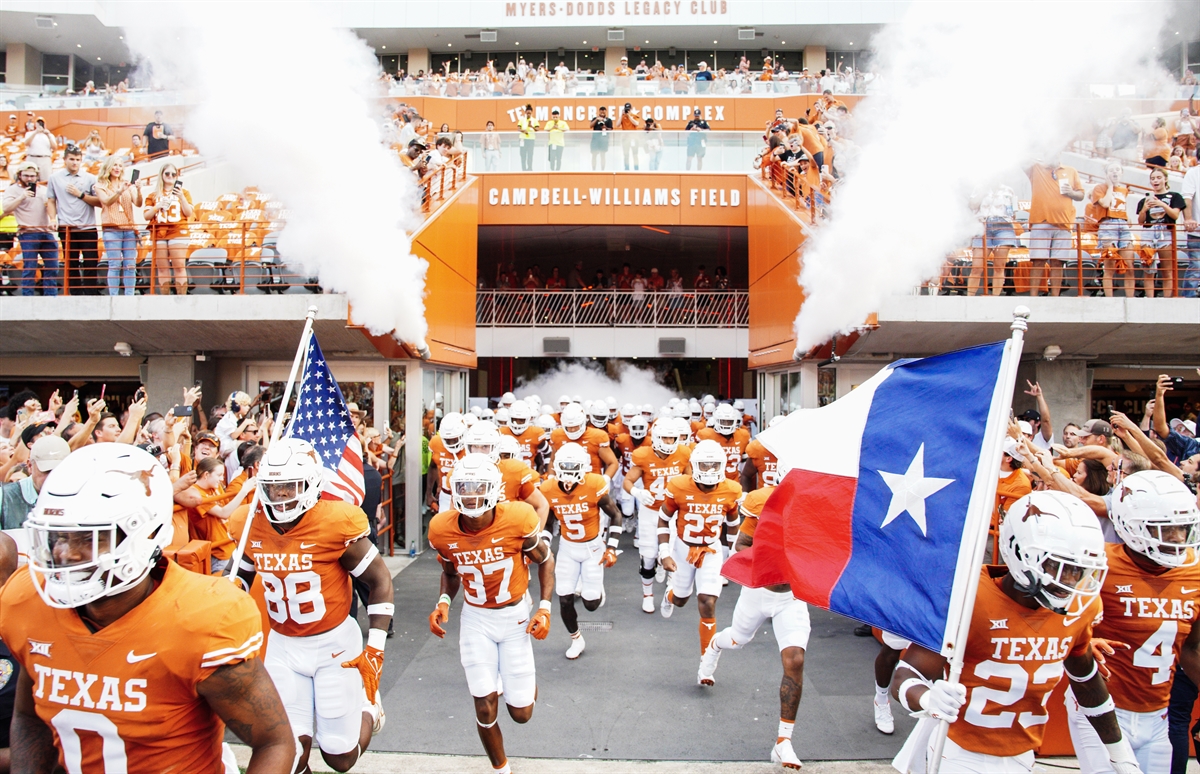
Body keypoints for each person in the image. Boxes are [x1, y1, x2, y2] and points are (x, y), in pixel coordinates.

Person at [1, 445, 297, 773]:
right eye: (58, 537)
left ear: (147, 534)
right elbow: (30, 718)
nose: (67, 553)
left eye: (88, 538)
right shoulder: (26, 601)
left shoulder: (199, 619)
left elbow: (274, 741)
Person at [889, 491, 1143, 774]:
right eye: (1060, 567)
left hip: (1023, 756)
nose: (1071, 581)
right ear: (1020, 552)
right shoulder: (967, 597)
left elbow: (1086, 681)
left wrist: (1120, 754)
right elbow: (904, 676)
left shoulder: (1079, 608)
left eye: (1080, 570)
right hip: (955, 753)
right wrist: (926, 697)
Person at [234, 438, 394, 774]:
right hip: (282, 645)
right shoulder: (250, 522)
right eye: (273, 487)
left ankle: (369, 708)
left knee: (340, 757)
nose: (280, 496)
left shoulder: (335, 523)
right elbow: (242, 577)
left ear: (310, 483)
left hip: (333, 643)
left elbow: (379, 582)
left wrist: (375, 649)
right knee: (289, 755)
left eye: (289, 486)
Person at [1064, 471, 1200, 774]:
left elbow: (1193, 648)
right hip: (1100, 705)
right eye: (1166, 529)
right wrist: (1080, 639)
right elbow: (1049, 618)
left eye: (1182, 527)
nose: (1178, 538)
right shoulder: (1099, 563)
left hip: (1158, 714)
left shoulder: (1195, 572)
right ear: (1132, 524)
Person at [427, 454, 554, 774]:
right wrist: (443, 601)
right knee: (484, 704)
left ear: (495, 489)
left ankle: (518, 682)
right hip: (476, 619)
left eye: (478, 487)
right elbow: (451, 573)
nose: (470, 495)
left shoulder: (518, 518)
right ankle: (501, 769)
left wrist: (544, 607)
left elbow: (546, 559)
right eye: (464, 488)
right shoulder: (442, 529)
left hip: (515, 617)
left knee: (522, 713)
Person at [698, 476, 809, 769]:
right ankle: (714, 645)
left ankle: (783, 741)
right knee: (736, 639)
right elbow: (741, 545)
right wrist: (771, 547)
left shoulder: (812, 506)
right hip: (759, 590)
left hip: (792, 596)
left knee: (795, 660)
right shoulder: (763, 502)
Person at [658, 439, 742, 658]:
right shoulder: (679, 485)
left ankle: (707, 660)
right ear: (694, 466)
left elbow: (733, 524)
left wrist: (733, 553)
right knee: (681, 599)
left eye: (714, 465)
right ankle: (669, 595)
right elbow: (663, 519)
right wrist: (664, 552)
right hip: (684, 548)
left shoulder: (731, 489)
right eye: (704, 465)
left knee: (707, 601)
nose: (709, 469)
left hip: (712, 550)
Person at [542, 443, 622, 659]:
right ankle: (576, 639)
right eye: (564, 470)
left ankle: (596, 591)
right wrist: (543, 544)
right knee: (564, 597)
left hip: (593, 547)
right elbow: (549, 522)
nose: (567, 478)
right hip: (568, 547)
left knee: (591, 604)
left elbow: (615, 515)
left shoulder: (594, 484)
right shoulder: (548, 488)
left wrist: (612, 547)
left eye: (572, 471)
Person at [624, 418, 692, 612]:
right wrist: (637, 492)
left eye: (673, 439)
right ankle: (648, 595)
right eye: (666, 438)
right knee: (647, 556)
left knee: (672, 553)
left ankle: (669, 590)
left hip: (673, 512)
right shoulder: (643, 455)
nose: (669, 443)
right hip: (650, 512)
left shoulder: (684, 453)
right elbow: (628, 481)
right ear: (656, 437)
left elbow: (690, 481)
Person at [46, 144, 101, 295]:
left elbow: (99, 202)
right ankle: (75, 293)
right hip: (67, 226)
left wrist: (81, 194)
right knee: (71, 262)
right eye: (71, 159)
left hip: (88, 226)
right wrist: (52, 218)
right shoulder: (54, 178)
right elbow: (51, 200)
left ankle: (91, 292)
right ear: (65, 159)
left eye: (77, 159)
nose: (74, 162)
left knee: (91, 261)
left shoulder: (90, 178)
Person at [1026, 155, 1084, 297]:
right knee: (1038, 261)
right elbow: (1022, 157)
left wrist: (1071, 193)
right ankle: (1033, 296)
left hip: (1064, 223)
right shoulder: (1035, 168)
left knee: (1058, 262)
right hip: (1041, 221)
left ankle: (1055, 297)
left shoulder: (1071, 171)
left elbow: (1081, 194)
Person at [2, 161, 60, 296]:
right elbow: (6, 208)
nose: (29, 179)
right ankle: (27, 296)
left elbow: (51, 207)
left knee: (53, 266)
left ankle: (50, 296)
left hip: (45, 231)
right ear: (19, 175)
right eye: (26, 175)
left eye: (32, 176)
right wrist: (22, 196)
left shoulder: (43, 190)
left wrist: (52, 217)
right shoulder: (13, 189)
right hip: (27, 232)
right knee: (30, 266)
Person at [94, 156, 143, 296]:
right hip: (112, 228)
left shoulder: (127, 184)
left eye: (120, 166)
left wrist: (138, 190)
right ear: (108, 167)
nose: (117, 168)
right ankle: (113, 297)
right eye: (114, 165)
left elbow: (138, 203)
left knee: (130, 265)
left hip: (128, 229)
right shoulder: (100, 185)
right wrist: (119, 191)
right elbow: (106, 201)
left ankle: (129, 296)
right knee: (115, 265)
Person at [143, 163, 194, 296]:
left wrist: (181, 197)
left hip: (177, 230)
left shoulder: (185, 193)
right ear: (162, 175)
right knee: (162, 267)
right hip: (159, 231)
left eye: (173, 174)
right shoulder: (153, 195)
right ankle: (165, 300)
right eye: (167, 173)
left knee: (179, 266)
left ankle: (181, 299)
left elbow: (188, 213)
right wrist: (157, 206)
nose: (170, 176)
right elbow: (146, 216)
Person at [1089, 161, 1138, 298]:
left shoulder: (1124, 190)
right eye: (1111, 170)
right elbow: (1105, 203)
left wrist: (1127, 218)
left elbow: (1122, 208)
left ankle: (1131, 298)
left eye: (1117, 170)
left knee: (1129, 265)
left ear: (1122, 173)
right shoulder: (1099, 188)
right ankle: (1109, 299)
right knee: (1109, 267)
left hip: (1122, 225)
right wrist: (1110, 187)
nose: (1115, 172)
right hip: (1107, 225)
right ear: (1106, 174)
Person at [0, 435, 69, 530]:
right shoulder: (3, 497)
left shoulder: (78, 495)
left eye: (57, 471)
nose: (52, 477)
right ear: (30, 466)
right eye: (46, 471)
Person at [1137, 166, 1185, 298]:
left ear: (1165, 179)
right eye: (1152, 178)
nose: (1155, 181)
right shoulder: (1144, 200)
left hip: (1166, 232)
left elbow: (1175, 215)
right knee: (1148, 269)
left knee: (1167, 269)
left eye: (1158, 177)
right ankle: (1150, 299)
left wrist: (1162, 204)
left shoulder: (1175, 196)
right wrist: (1144, 209)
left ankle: (1166, 300)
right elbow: (1141, 221)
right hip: (1148, 232)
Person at [969, 184, 1021, 296]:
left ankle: (995, 297)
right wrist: (982, 192)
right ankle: (970, 298)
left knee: (999, 265)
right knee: (976, 267)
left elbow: (1014, 213)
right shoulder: (979, 187)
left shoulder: (1009, 189)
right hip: (982, 226)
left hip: (1004, 227)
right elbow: (972, 206)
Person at [548, 404, 617, 483]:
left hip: (590, 483)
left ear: (583, 422)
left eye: (576, 426)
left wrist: (604, 480)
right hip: (565, 484)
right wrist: (551, 479)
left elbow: (613, 463)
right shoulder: (557, 435)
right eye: (569, 426)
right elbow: (552, 461)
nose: (573, 429)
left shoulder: (598, 436)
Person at [427, 412, 467, 513]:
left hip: (467, 497)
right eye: (447, 440)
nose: (451, 443)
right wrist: (429, 492)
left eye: (454, 439)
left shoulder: (471, 445)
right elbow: (433, 466)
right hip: (445, 494)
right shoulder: (436, 442)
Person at [499, 400, 547, 471]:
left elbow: (547, 453)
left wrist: (545, 471)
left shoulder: (536, 433)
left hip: (529, 476)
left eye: (521, 420)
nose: (517, 423)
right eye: (515, 420)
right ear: (509, 418)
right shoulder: (501, 433)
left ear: (527, 419)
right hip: (506, 474)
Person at [619, 102, 644, 171]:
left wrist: (629, 116)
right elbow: (617, 124)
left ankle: (636, 168)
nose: (628, 111)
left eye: (629, 109)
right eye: (626, 109)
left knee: (635, 154)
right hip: (625, 138)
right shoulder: (623, 116)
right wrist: (621, 115)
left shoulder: (635, 115)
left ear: (631, 109)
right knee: (626, 154)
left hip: (633, 138)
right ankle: (626, 168)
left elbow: (636, 123)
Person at [590, 106, 612, 171]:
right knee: (594, 155)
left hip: (604, 140)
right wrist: (597, 119)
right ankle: (593, 170)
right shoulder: (595, 118)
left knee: (603, 155)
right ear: (599, 111)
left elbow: (611, 129)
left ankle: (603, 170)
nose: (602, 112)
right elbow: (590, 126)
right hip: (595, 140)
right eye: (601, 111)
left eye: (604, 111)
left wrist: (605, 127)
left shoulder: (608, 120)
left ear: (606, 112)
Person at [517, 105, 538, 172]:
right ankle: (523, 168)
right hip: (522, 139)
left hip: (531, 139)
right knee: (523, 154)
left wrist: (531, 126)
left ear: (532, 113)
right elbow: (518, 128)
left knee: (530, 154)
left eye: (530, 113)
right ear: (525, 112)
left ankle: (529, 168)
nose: (528, 114)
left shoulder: (534, 120)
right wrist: (523, 131)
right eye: (527, 112)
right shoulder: (522, 120)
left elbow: (537, 129)